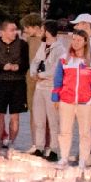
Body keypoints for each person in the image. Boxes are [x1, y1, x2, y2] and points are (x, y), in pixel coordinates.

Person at [51, 30, 91, 168]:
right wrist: (55, 97)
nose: (75, 42)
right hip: (66, 99)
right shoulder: (64, 58)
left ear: (85, 41)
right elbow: (58, 79)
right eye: (73, 39)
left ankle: (83, 160)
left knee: (86, 132)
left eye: (79, 40)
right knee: (64, 131)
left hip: (87, 101)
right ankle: (64, 157)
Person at [0, 18, 30, 150]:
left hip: (18, 84)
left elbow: (26, 63)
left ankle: (12, 142)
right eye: (11, 30)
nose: (15, 32)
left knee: (15, 115)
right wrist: (3, 67)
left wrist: (18, 67)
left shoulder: (22, 44)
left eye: (16, 29)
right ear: (3, 32)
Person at [27, 21, 62, 162]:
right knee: (39, 118)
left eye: (43, 29)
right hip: (39, 87)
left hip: (50, 87)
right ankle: (39, 146)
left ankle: (54, 149)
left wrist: (41, 75)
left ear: (47, 31)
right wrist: (33, 73)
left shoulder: (60, 49)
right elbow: (35, 61)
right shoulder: (42, 46)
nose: (41, 32)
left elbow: (56, 69)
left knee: (53, 120)